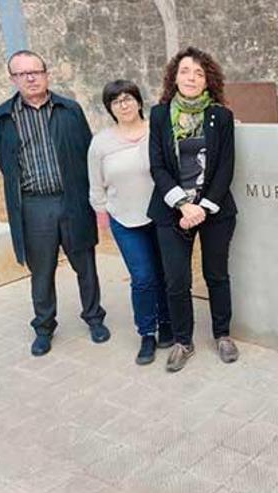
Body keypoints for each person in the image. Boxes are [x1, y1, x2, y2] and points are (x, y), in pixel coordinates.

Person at [0, 49, 110, 356]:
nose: (30, 78)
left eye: (36, 71)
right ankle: (44, 327)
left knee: (85, 265)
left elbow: (88, 154)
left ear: (46, 74)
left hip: (72, 200)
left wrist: (94, 199)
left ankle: (94, 318)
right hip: (33, 207)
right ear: (13, 79)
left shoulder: (70, 110)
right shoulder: (3, 117)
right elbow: (6, 165)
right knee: (41, 271)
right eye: (22, 73)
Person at [148, 46, 239, 372]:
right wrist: (184, 205)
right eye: (185, 70)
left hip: (214, 208)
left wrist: (202, 207)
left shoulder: (221, 116)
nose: (191, 77)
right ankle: (183, 342)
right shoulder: (159, 115)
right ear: (174, 76)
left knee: (217, 274)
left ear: (208, 80)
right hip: (172, 208)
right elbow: (157, 165)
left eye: (199, 73)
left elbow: (226, 166)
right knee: (176, 280)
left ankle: (222, 334)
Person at [88, 80, 173, 365]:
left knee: (164, 273)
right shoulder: (101, 142)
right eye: (116, 101)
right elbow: (95, 184)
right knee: (143, 277)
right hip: (124, 218)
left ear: (138, 101)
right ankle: (147, 332)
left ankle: (167, 324)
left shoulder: (157, 131)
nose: (123, 105)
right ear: (110, 108)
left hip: (161, 216)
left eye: (128, 98)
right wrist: (102, 215)